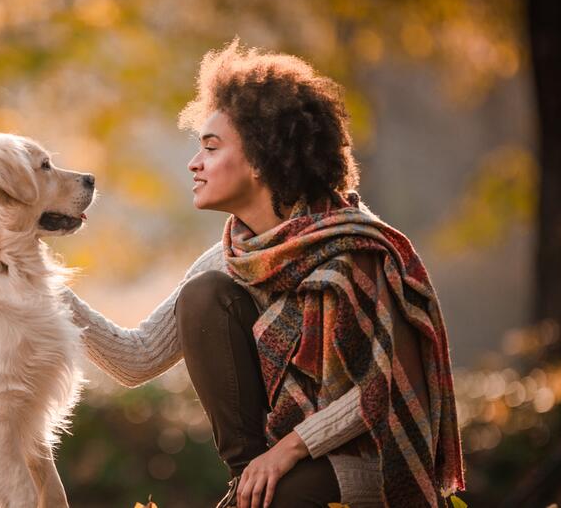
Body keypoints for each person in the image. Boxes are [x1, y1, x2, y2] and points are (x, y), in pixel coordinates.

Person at [63, 39, 465, 507]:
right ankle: (248, 490)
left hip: (370, 459)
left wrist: (289, 451)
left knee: (278, 490)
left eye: (211, 148)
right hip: (276, 463)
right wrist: (43, 285)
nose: (195, 163)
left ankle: (255, 491)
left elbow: (380, 390)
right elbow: (136, 360)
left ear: (258, 160)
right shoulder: (229, 257)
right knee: (203, 296)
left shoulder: (355, 249)